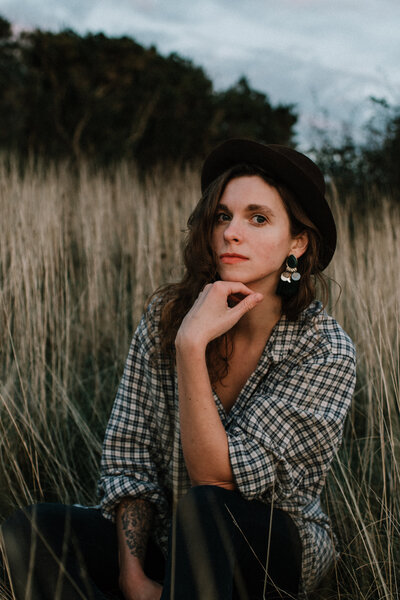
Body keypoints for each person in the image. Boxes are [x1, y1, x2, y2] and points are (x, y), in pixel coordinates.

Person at [1, 139, 356, 600]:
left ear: (298, 243)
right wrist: (132, 574)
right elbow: (130, 459)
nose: (231, 232)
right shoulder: (165, 316)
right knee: (31, 531)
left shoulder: (323, 349)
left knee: (208, 509)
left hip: (267, 555)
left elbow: (217, 480)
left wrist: (191, 348)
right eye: (223, 216)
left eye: (258, 218)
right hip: (170, 542)